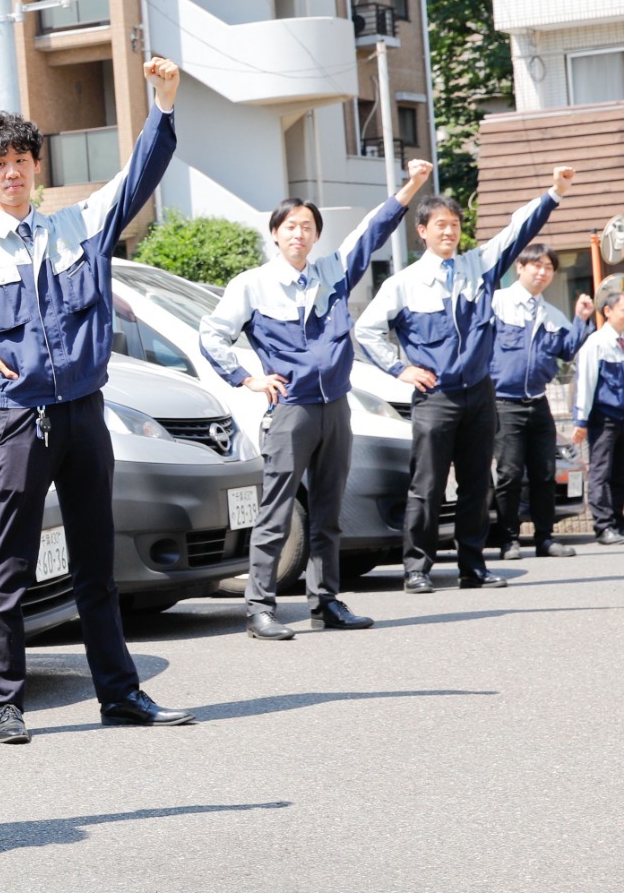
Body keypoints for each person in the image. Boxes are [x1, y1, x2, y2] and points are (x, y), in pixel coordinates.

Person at [0, 58, 195, 745]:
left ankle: (119, 694)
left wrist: (164, 102)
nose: (13, 172)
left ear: (37, 168)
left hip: (85, 414)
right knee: (13, 562)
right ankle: (5, 701)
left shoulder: (79, 224)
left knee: (97, 561)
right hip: (20, 421)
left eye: (24, 159)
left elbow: (141, 172)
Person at [199, 160, 433, 640]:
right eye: (290, 227)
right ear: (275, 233)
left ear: (316, 236)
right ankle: (259, 608)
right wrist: (247, 379)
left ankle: (324, 601)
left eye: (307, 227)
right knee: (276, 510)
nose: (298, 234)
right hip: (291, 410)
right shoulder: (252, 284)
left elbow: (375, 228)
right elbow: (212, 335)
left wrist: (412, 187)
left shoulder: (333, 272)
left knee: (328, 510)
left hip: (336, 407)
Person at [354, 167, 574, 594]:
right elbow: (365, 329)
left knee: (478, 484)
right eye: (441, 226)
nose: (450, 232)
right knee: (427, 486)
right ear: (422, 232)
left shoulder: (479, 265)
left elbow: (516, 230)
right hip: (435, 397)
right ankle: (416, 568)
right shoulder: (404, 284)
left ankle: (473, 567)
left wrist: (553, 193)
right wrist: (401, 369)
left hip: (479, 394)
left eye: (455, 226)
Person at [489, 244, 596, 561]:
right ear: (519, 267)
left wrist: (581, 319)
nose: (542, 271)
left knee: (544, 473)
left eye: (548, 267)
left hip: (538, 401)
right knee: (509, 474)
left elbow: (567, 351)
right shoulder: (497, 303)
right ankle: (509, 540)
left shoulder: (553, 314)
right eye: (536, 265)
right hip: (502, 402)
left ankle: (545, 538)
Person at [572, 289, 624, 544]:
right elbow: (586, 382)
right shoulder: (596, 342)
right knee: (601, 471)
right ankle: (603, 526)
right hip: (602, 417)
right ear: (608, 311)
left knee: (622, 471)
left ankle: (618, 522)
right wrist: (580, 420)